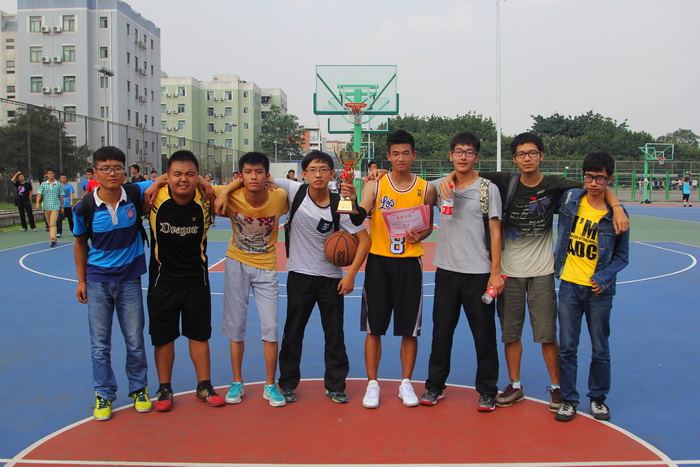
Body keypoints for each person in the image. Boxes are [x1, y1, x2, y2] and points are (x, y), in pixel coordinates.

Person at [440, 132, 629, 412]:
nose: (526, 158)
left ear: (541, 155)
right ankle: (515, 385)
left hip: (542, 271)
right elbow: (465, 170)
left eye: (532, 153)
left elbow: (596, 184)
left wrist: (617, 207)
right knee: (510, 334)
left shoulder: (555, 184)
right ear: (514, 158)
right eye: (521, 154)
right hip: (509, 272)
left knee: (547, 334)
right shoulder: (505, 181)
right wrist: (448, 179)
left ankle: (557, 388)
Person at [276, 151, 370, 404]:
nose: (318, 174)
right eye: (313, 170)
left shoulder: (341, 203)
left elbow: (364, 240)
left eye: (324, 169)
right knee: (293, 333)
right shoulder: (294, 191)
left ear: (331, 174)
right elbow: (259, 176)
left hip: (331, 279)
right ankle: (287, 383)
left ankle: (336, 386)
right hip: (300, 275)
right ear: (304, 174)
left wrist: (351, 275)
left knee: (334, 335)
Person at [420, 132, 504, 412]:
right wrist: (380, 174)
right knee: (441, 332)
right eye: (458, 151)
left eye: (469, 152)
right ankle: (434, 386)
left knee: (484, 335)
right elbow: (412, 188)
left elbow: (495, 232)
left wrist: (495, 272)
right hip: (446, 271)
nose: (463, 156)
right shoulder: (438, 185)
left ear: (476, 157)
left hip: (478, 272)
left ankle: (487, 391)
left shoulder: (488, 189)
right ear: (451, 156)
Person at [354, 129, 436, 409]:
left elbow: (427, 226)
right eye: (395, 154)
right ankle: (372, 384)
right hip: (379, 262)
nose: (401, 158)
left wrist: (419, 235)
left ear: (414, 155)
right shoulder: (376, 185)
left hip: (410, 263)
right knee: (374, 328)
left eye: (406, 153)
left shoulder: (426, 188)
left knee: (409, 329)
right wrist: (351, 202)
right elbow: (361, 211)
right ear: (388, 157)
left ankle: (405, 383)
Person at [73, 146, 153, 421]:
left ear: (125, 171)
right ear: (95, 173)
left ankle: (139, 389)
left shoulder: (134, 193)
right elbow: (80, 244)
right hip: (97, 282)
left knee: (135, 341)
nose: (112, 173)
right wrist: (81, 280)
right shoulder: (84, 207)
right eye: (105, 168)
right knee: (100, 344)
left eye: (117, 168)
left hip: (129, 280)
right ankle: (103, 394)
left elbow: (166, 177)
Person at [145, 151, 224, 412]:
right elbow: (119, 187)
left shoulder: (206, 196)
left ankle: (204, 386)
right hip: (163, 280)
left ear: (197, 176)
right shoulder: (154, 196)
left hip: (196, 280)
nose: (183, 179)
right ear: (167, 176)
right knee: (163, 338)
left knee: (199, 336)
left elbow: (241, 186)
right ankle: (164, 388)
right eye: (177, 174)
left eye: (190, 174)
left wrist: (204, 181)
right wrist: (156, 182)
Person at [554, 151, 630, 422]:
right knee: (567, 347)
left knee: (600, 347)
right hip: (569, 286)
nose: (594, 183)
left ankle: (598, 398)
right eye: (589, 177)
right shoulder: (570, 200)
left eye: (600, 178)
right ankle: (568, 399)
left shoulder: (616, 215)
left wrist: (603, 277)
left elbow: (622, 257)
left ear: (609, 179)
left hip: (599, 291)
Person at [213, 152, 289, 407]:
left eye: (258, 172)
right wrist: (226, 191)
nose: (253, 177)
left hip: (266, 266)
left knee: (270, 328)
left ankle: (270, 384)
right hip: (236, 263)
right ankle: (237, 381)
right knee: (236, 327)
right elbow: (198, 184)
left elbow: (303, 192)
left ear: (267, 175)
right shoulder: (231, 194)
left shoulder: (279, 196)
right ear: (241, 176)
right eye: (248, 172)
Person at [35, 167, 63, 247]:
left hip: (55, 206)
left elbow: (61, 196)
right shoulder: (43, 184)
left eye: (52, 173)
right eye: (49, 173)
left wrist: (62, 206)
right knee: (49, 224)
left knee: (53, 223)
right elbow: (39, 194)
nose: (51, 175)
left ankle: (52, 239)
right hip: (46, 206)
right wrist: (37, 203)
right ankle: (54, 238)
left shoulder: (58, 184)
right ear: (46, 174)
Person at [56, 173, 75, 238]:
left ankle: (72, 230)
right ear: (60, 179)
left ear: (66, 178)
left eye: (64, 178)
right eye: (62, 178)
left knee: (70, 218)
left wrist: (71, 201)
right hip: (60, 205)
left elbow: (71, 194)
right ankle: (59, 232)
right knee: (59, 219)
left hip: (68, 205)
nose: (63, 179)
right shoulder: (58, 186)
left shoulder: (69, 186)